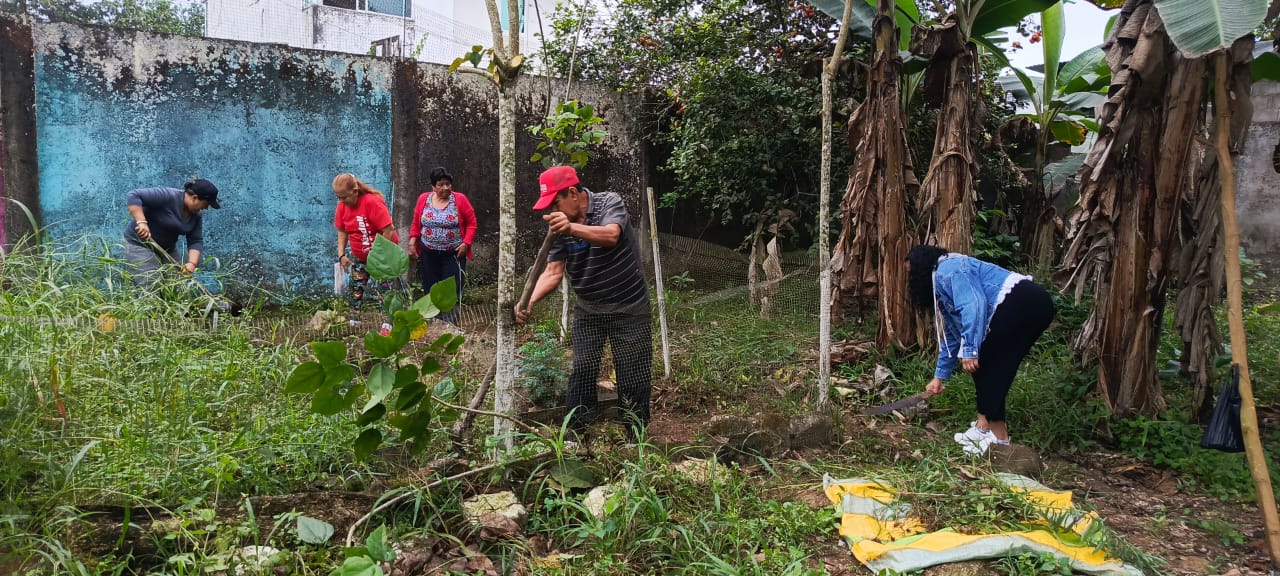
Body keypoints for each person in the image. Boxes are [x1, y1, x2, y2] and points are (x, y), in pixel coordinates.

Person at [515, 166, 652, 440]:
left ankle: (635, 436)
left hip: (630, 307)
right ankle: (576, 434)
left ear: (573, 193)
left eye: (556, 203)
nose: (553, 210)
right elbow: (552, 272)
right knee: (582, 369)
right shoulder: (559, 228)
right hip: (589, 309)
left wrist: (572, 228)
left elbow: (611, 235)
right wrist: (528, 301)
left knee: (632, 373)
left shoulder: (609, 203)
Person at [906, 245, 1056, 455]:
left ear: (921, 267)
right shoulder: (943, 284)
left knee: (988, 366)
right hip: (1029, 305)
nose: (910, 279)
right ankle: (983, 427)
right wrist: (939, 377)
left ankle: (999, 441)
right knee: (985, 365)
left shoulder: (947, 270)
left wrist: (970, 350)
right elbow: (952, 335)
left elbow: (974, 304)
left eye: (911, 272)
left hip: (1024, 302)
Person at [123, 179, 221, 287]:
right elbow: (134, 195)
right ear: (194, 198)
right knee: (151, 285)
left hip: (167, 249)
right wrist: (141, 222)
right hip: (141, 245)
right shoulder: (168, 196)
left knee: (177, 285)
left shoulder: (196, 216)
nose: (206, 208)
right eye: (206, 204)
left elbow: (195, 240)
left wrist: (192, 264)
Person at [409, 167, 476, 324]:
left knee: (451, 290)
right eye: (440, 185)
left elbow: (472, 223)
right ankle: (433, 323)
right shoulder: (423, 199)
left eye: (448, 184)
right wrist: (412, 241)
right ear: (433, 187)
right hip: (428, 253)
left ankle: (450, 325)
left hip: (453, 253)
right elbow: (416, 222)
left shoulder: (460, 200)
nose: (445, 188)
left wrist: (466, 243)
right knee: (430, 287)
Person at [333, 173, 399, 313]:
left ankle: (389, 321)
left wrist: (378, 253)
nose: (341, 201)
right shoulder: (342, 206)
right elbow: (342, 230)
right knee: (355, 289)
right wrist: (341, 255)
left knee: (385, 291)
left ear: (355, 191)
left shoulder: (372, 202)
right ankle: (354, 320)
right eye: (338, 197)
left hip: (382, 257)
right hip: (361, 257)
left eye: (344, 197)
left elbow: (389, 230)